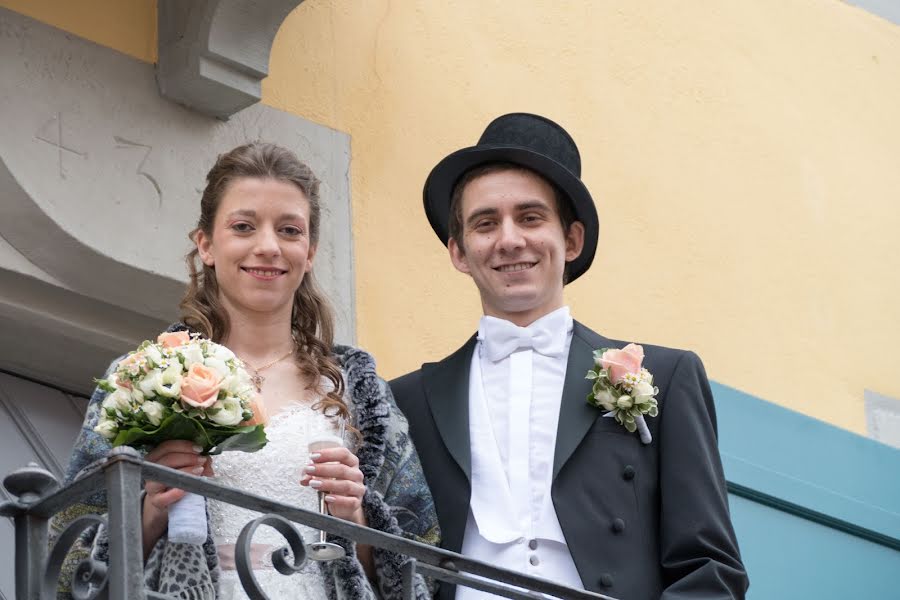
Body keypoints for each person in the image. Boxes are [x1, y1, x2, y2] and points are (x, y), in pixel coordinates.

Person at [52, 142, 439, 600]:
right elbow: (65, 559)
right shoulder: (140, 380)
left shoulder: (358, 390)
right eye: (243, 226)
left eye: (290, 230)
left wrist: (356, 517)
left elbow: (426, 568)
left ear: (310, 251)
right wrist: (152, 509)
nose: (268, 246)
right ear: (206, 245)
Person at [391, 113, 749, 600]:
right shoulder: (406, 399)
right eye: (485, 223)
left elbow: (709, 568)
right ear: (458, 251)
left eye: (531, 217)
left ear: (572, 240)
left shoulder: (666, 375)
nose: (510, 239)